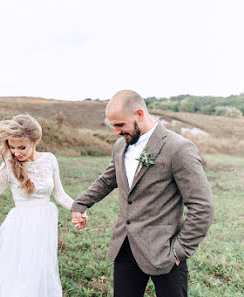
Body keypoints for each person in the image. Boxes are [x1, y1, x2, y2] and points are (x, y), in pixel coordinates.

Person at [71, 90, 214, 297]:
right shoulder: (120, 145)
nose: (116, 132)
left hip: (164, 250)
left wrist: (179, 251)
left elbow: (202, 206)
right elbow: (108, 180)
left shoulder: (178, 148)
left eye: (120, 125)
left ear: (139, 113)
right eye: (113, 126)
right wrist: (80, 204)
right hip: (125, 246)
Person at [0, 114, 86, 297]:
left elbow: (60, 195)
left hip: (44, 225)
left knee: (39, 270)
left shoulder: (50, 160)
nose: (16, 152)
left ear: (34, 141)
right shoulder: (8, 167)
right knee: (20, 272)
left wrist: (80, 209)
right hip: (21, 226)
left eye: (22, 147)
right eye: (12, 147)